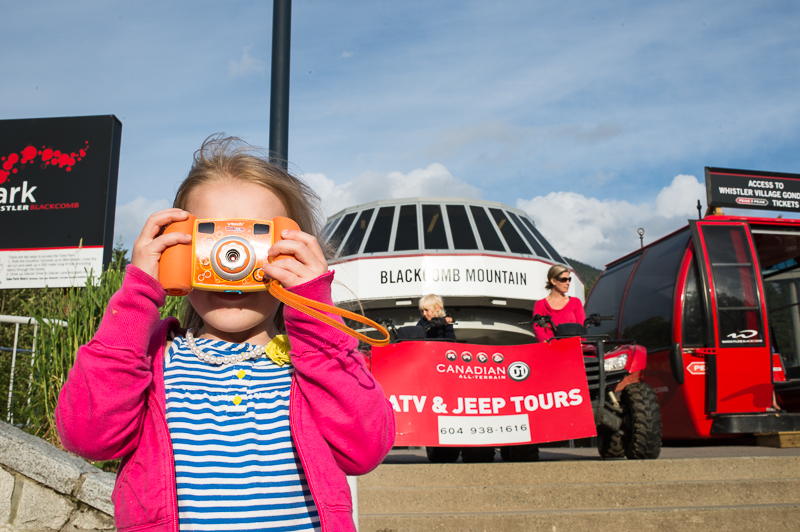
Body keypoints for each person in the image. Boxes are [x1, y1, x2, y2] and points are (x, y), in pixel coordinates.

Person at [55, 135, 395, 532]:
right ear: (175, 249)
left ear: (296, 252)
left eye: (253, 243)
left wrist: (314, 314)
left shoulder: (314, 365)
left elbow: (366, 449)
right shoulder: (149, 363)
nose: (230, 261)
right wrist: (136, 298)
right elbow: (87, 438)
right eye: (212, 242)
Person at [532, 265, 585, 342]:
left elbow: (582, 330)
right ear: (553, 281)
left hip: (573, 348)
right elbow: (539, 331)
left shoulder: (576, 302)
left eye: (569, 279)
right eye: (564, 279)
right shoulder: (540, 305)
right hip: (551, 350)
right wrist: (550, 345)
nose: (568, 283)